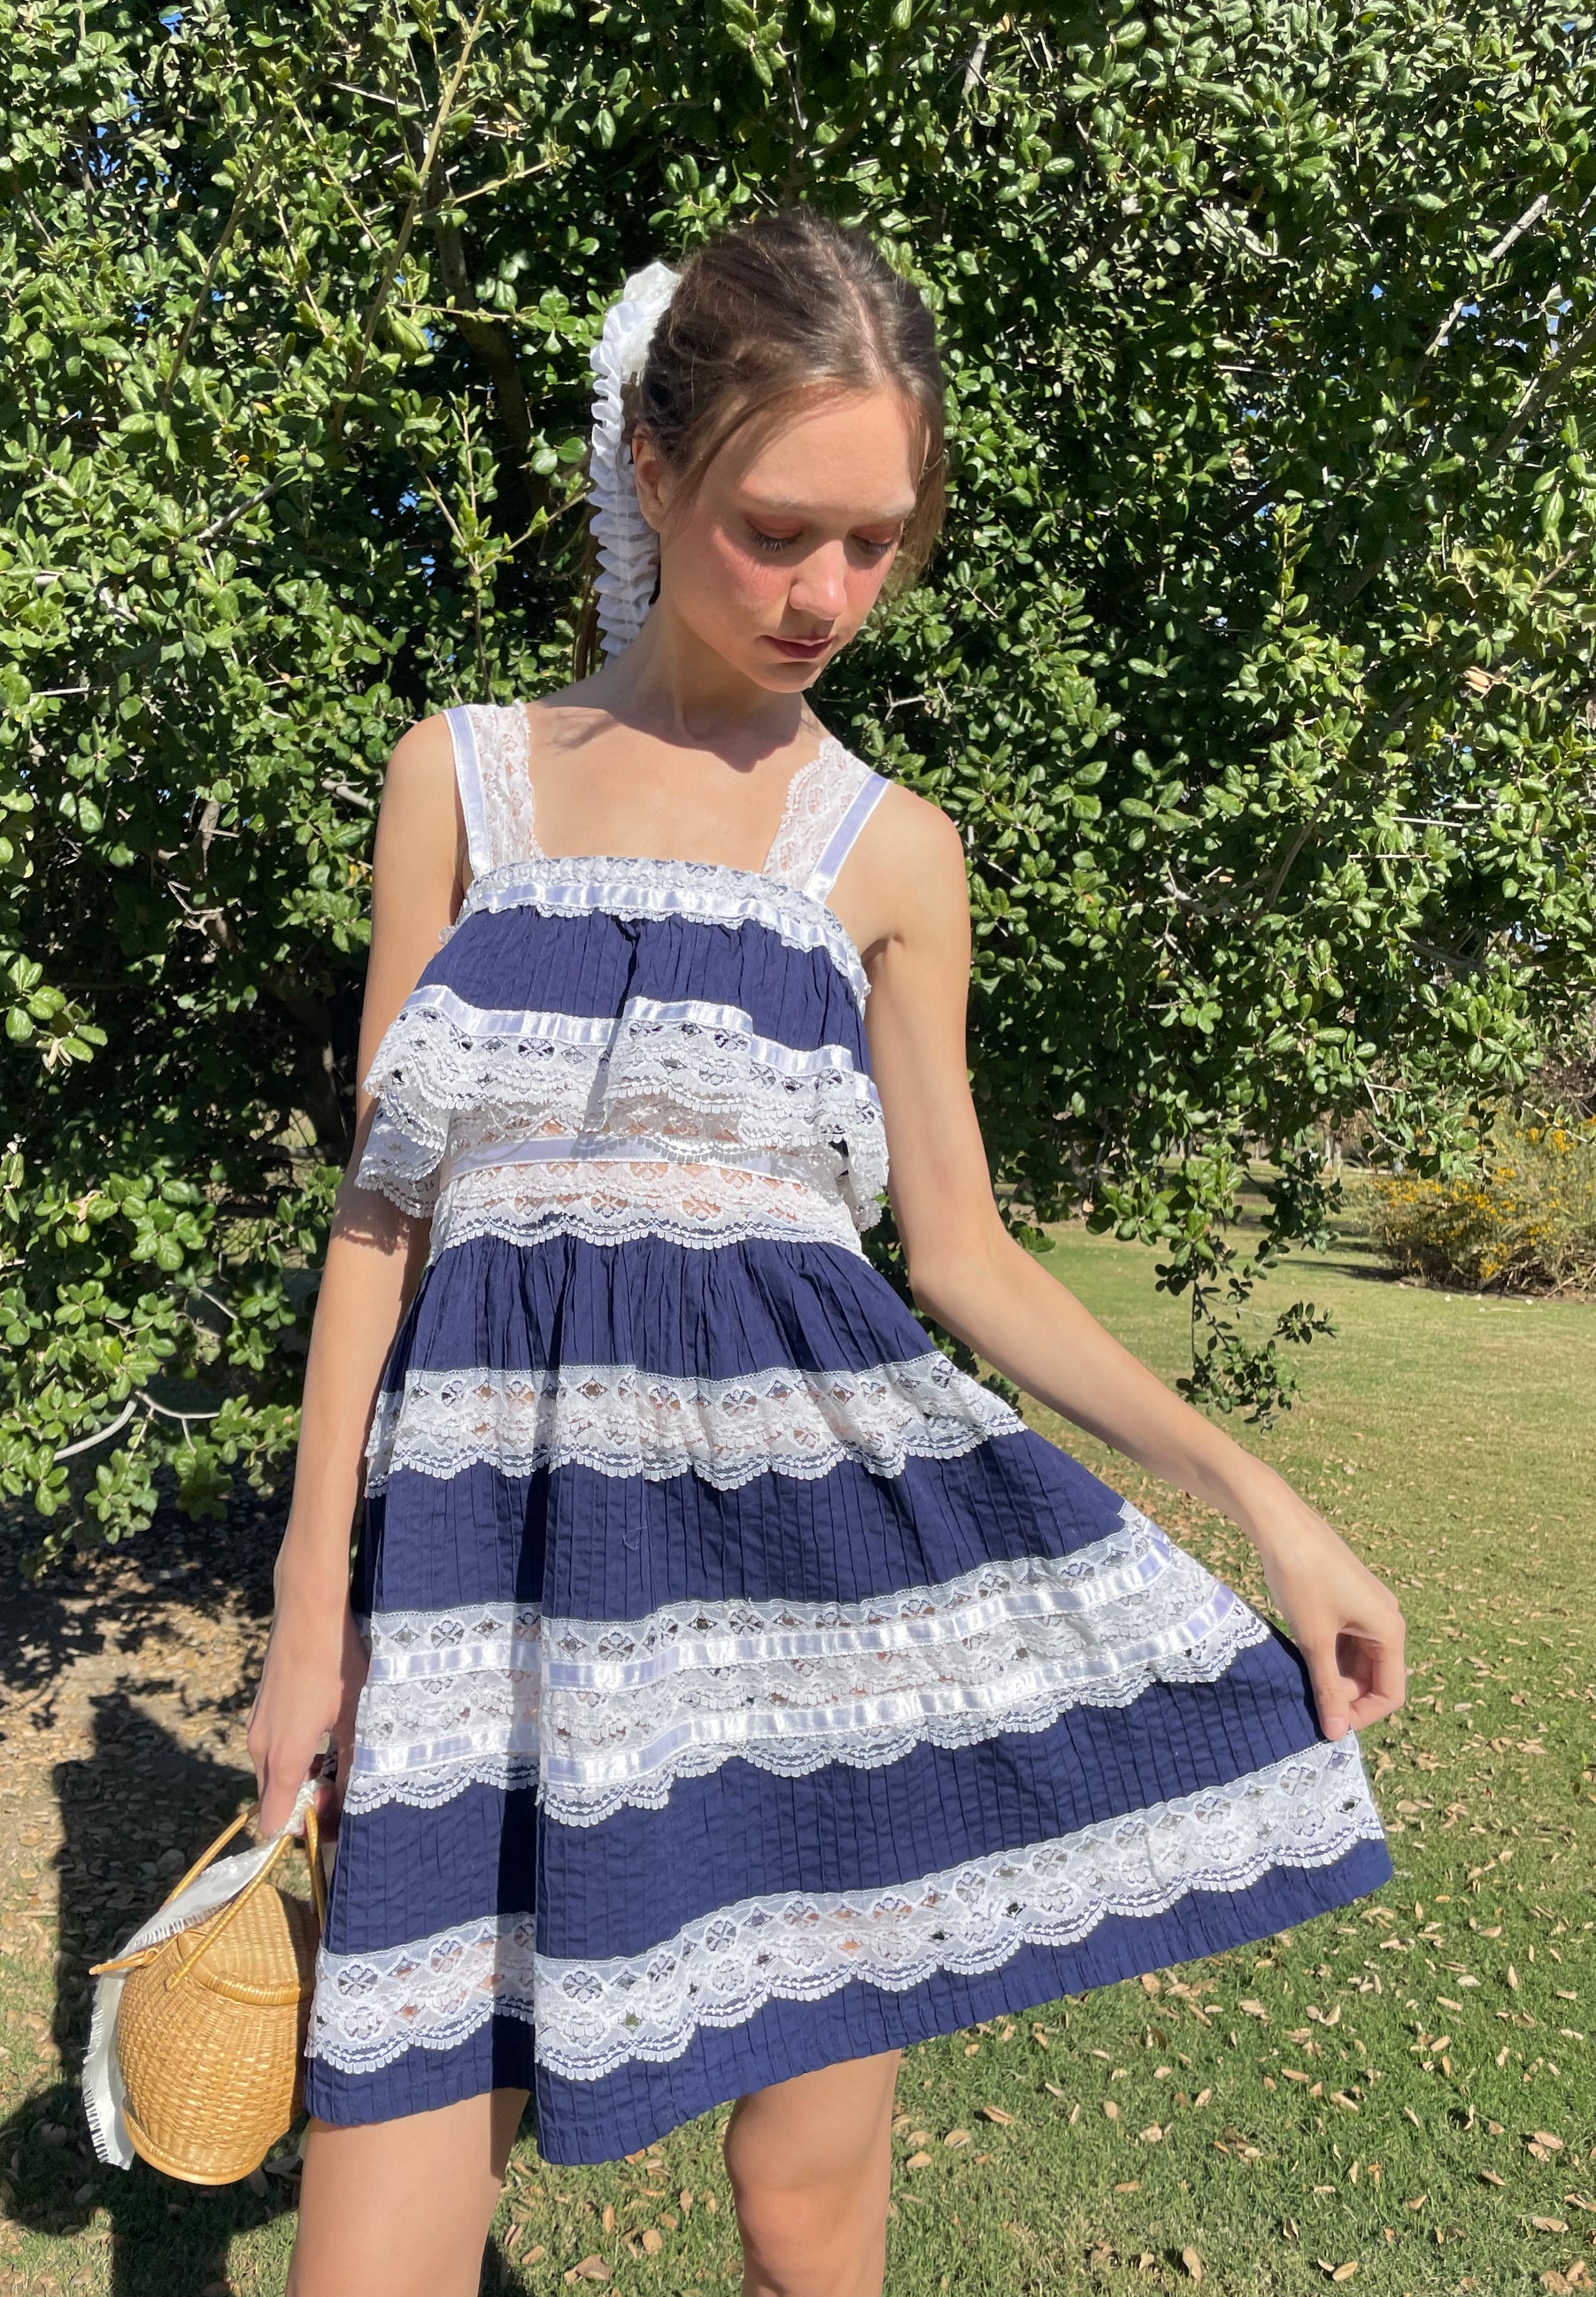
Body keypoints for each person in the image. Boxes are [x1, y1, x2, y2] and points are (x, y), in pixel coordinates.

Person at [246, 207, 1407, 2297]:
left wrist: (1270, 1507)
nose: (826, 596)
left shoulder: (886, 850)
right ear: (655, 467)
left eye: (876, 543)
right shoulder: (460, 784)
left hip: (802, 1614)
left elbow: (961, 1252)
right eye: (782, 527)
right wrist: (305, 1608)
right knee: (376, 2251)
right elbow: (381, 1219)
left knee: (805, 2220)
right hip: (470, 1605)